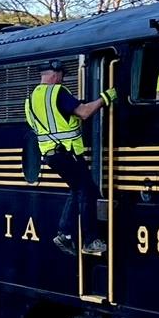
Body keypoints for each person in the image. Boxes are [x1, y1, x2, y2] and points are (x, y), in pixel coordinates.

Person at [25, 60, 113, 255]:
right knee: (87, 190)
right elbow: (84, 112)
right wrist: (105, 98)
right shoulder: (57, 92)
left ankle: (65, 234)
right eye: (62, 75)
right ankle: (90, 241)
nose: (62, 79)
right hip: (67, 152)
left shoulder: (31, 99)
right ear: (55, 75)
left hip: (50, 155)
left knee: (77, 189)